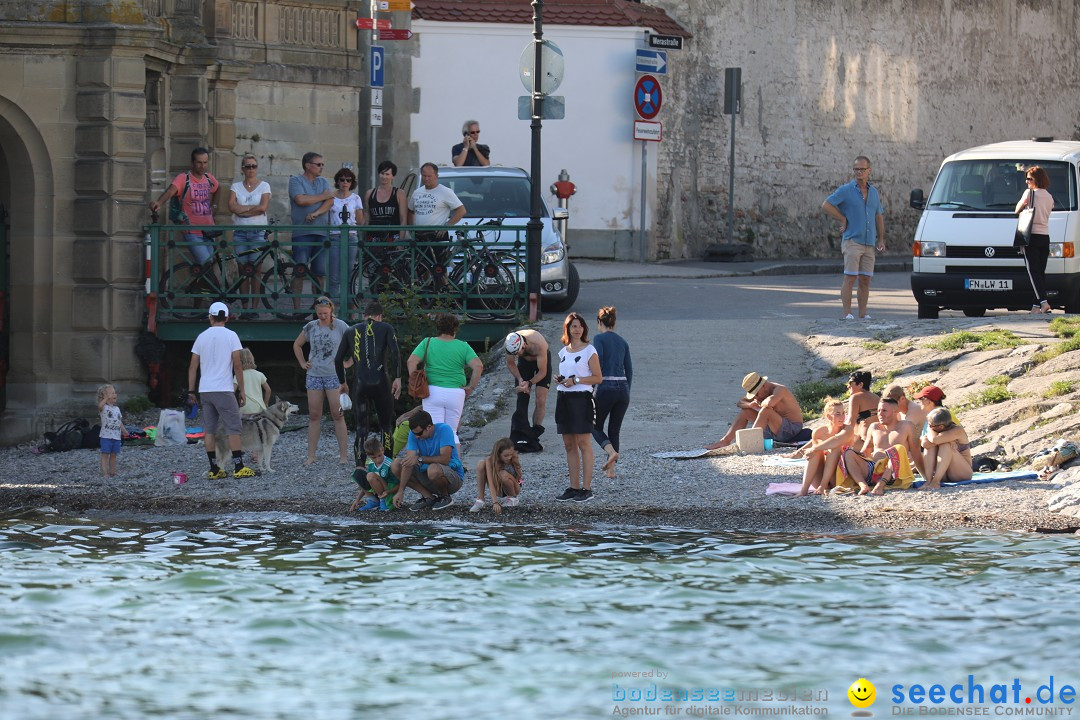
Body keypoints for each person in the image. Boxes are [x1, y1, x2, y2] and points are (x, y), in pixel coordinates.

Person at [188, 302, 255, 478]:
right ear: (226, 318)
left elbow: (192, 367)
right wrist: (241, 389)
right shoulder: (231, 336)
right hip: (224, 388)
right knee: (233, 428)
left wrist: (191, 392)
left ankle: (214, 469)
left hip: (205, 389)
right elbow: (238, 365)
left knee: (209, 430)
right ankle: (239, 467)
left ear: (210, 317)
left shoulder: (201, 336)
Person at [334, 300, 401, 466]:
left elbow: (337, 359)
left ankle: (360, 465)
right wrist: (398, 378)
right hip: (381, 381)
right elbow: (395, 353)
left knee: (361, 427)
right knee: (386, 426)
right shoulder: (386, 328)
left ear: (365, 316)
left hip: (360, 383)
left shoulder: (351, 331)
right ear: (379, 316)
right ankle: (387, 464)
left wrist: (342, 382)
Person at [821, 155, 886, 320]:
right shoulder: (846, 190)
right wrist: (842, 218)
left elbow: (879, 215)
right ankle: (847, 313)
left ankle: (863, 314)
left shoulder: (874, 192)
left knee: (865, 279)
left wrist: (881, 239)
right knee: (850, 277)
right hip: (852, 241)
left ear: (869, 171)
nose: (859, 172)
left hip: (869, 243)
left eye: (862, 169)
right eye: (856, 169)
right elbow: (826, 205)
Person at [407, 313, 482, 445]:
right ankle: (456, 464)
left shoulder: (427, 342)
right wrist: (471, 387)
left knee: (434, 432)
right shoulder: (463, 346)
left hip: (432, 392)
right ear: (455, 329)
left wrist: (416, 381)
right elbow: (478, 366)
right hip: (456, 393)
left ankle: (437, 464)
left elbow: (411, 361)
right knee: (452, 432)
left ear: (438, 328)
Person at [293, 296, 351, 465]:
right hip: (314, 374)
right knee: (314, 415)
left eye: (325, 313)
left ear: (331, 311)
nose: (322, 316)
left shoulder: (341, 326)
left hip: (334, 374)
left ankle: (343, 456)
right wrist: (303, 362)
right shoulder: (311, 326)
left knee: (337, 414)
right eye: (319, 313)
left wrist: (348, 362)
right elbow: (297, 344)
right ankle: (311, 456)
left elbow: (355, 343)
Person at [554, 312, 603, 502]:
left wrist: (576, 380)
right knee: (569, 444)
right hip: (564, 398)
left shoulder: (589, 350)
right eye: (574, 326)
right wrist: (561, 380)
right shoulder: (564, 352)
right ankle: (573, 487)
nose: (577, 329)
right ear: (567, 328)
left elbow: (598, 377)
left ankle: (587, 488)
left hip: (582, 399)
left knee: (584, 442)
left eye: (580, 326)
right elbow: (567, 375)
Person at [149, 147, 221, 267]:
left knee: (210, 265)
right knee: (206, 263)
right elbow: (170, 191)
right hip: (192, 231)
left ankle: (201, 286)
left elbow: (218, 187)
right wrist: (159, 203)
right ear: (192, 163)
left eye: (205, 162)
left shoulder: (208, 178)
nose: (202, 166)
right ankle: (204, 285)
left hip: (209, 230)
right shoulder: (184, 178)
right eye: (199, 162)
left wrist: (214, 206)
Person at [835, 398, 920, 495]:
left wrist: (928, 478)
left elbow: (916, 452)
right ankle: (863, 485)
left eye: (884, 410)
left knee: (898, 448)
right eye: (878, 410)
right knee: (848, 453)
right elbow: (865, 451)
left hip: (894, 473)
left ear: (895, 411)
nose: (880, 414)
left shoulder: (907, 426)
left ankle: (880, 486)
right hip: (873, 471)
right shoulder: (874, 427)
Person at [706, 372, 804, 450]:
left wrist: (759, 403)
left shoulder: (780, 389)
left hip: (791, 429)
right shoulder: (760, 393)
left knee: (766, 411)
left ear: (764, 385)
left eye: (756, 394)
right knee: (745, 412)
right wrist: (749, 404)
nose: (756, 397)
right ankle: (725, 441)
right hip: (774, 430)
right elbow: (740, 403)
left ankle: (751, 442)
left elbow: (769, 404)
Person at [390, 410, 464, 511]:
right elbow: (409, 462)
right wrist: (401, 491)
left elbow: (445, 460)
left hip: (452, 479)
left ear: (429, 427)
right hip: (428, 476)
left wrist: (420, 458)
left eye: (419, 433)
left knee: (433, 469)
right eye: (414, 433)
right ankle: (428, 497)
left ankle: (445, 497)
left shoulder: (444, 429)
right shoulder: (414, 434)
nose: (417, 436)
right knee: (397, 464)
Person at [289, 152, 335, 307]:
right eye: (318, 164)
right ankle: (297, 309)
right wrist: (322, 196)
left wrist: (315, 213)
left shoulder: (323, 182)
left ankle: (319, 308)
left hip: (321, 232)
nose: (321, 167)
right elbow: (300, 200)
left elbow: (330, 202)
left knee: (320, 273)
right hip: (302, 233)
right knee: (299, 272)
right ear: (308, 165)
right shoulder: (296, 181)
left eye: (323, 164)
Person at [591, 306, 632, 478]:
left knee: (593, 425)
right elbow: (629, 370)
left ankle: (610, 452)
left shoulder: (598, 339)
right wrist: (626, 390)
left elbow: (597, 361)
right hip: (623, 389)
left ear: (599, 322)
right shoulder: (623, 342)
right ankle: (611, 470)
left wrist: (591, 388)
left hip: (606, 387)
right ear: (614, 323)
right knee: (614, 430)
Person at [227, 153, 271, 316]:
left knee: (256, 270)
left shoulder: (264, 186)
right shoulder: (236, 186)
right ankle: (245, 309)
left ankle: (254, 308)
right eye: (248, 166)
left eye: (254, 166)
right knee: (243, 270)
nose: (251, 169)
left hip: (258, 231)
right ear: (242, 169)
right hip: (240, 232)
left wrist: (243, 211)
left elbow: (263, 207)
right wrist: (250, 210)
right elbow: (231, 206)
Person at [408, 162, 466, 272]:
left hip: (437, 235)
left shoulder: (445, 191)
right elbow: (410, 211)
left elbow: (461, 210)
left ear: (436, 176)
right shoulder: (417, 192)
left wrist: (446, 226)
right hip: (420, 235)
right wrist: (411, 229)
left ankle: (445, 287)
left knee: (439, 268)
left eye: (429, 176)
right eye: (424, 176)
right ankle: (427, 288)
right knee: (422, 267)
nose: (426, 179)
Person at [788, 398, 851, 496]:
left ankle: (823, 486)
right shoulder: (819, 432)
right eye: (838, 414)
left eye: (843, 413)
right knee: (815, 451)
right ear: (829, 417)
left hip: (840, 477)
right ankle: (804, 490)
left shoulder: (848, 429)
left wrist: (813, 448)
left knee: (834, 448)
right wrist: (809, 450)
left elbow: (836, 440)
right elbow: (813, 448)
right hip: (821, 475)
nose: (842, 417)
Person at [503, 328, 551, 454]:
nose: (517, 355)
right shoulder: (510, 344)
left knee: (540, 399)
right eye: (515, 354)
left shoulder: (538, 344)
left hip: (541, 364)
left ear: (524, 345)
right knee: (522, 396)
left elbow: (542, 372)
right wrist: (520, 379)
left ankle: (534, 434)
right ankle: (520, 434)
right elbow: (511, 364)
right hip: (524, 365)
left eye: (519, 352)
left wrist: (529, 383)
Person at [1016, 165, 1054, 314]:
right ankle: (1036, 306)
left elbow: (1016, 209)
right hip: (1045, 236)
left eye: (1029, 179)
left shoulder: (1029, 193)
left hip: (1030, 235)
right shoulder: (1049, 197)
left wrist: (1024, 204)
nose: (1026, 182)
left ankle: (1044, 303)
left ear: (1036, 179)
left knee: (1033, 272)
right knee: (1040, 272)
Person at [328, 167, 365, 303]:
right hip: (334, 236)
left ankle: (350, 305)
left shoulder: (356, 198)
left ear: (352, 182)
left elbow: (360, 221)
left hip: (351, 237)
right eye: (342, 179)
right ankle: (333, 306)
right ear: (337, 181)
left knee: (350, 272)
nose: (345, 182)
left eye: (348, 180)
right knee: (334, 273)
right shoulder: (331, 196)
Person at [365, 160, 408, 264]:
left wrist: (401, 241)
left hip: (393, 237)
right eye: (382, 173)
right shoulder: (370, 193)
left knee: (394, 270)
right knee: (374, 271)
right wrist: (363, 238)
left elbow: (403, 219)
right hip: (375, 238)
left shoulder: (399, 194)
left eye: (387, 174)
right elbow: (366, 217)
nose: (384, 177)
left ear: (393, 176)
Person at [920, 407, 973, 490]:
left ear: (941, 426)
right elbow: (924, 444)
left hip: (961, 473)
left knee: (945, 445)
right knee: (930, 446)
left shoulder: (958, 430)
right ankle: (929, 481)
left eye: (930, 425)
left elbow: (935, 439)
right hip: (943, 473)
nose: (929, 427)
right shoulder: (935, 430)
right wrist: (933, 434)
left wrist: (930, 431)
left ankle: (935, 481)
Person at [469, 437, 522, 514]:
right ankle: (480, 499)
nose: (509, 457)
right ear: (498, 454)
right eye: (506, 455)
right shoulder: (490, 460)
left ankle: (513, 498)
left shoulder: (513, 458)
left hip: (513, 487)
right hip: (498, 487)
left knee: (503, 474)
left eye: (510, 454)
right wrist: (495, 502)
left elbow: (519, 479)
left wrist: (511, 477)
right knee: (481, 464)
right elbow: (490, 483)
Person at [350, 435, 399, 512]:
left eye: (379, 455)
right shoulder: (371, 464)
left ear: (382, 450)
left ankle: (384, 501)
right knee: (358, 473)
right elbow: (368, 482)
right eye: (374, 457)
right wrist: (357, 500)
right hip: (379, 490)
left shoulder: (389, 464)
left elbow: (398, 485)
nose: (377, 459)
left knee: (370, 475)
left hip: (389, 491)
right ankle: (373, 500)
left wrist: (388, 492)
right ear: (368, 455)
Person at [96, 384, 126, 477]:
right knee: (105, 455)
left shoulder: (117, 409)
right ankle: (105, 472)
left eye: (115, 393)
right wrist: (105, 398)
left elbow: (119, 422)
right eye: (112, 393)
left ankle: (112, 471)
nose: (115, 395)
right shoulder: (104, 407)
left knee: (114, 455)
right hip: (106, 436)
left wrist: (124, 430)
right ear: (105, 396)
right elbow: (99, 406)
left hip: (116, 436)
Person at [846, 370, 880, 442]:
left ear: (860, 384)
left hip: (865, 441)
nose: (848, 386)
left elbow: (850, 423)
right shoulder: (877, 397)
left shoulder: (855, 397)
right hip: (880, 439)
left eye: (850, 383)